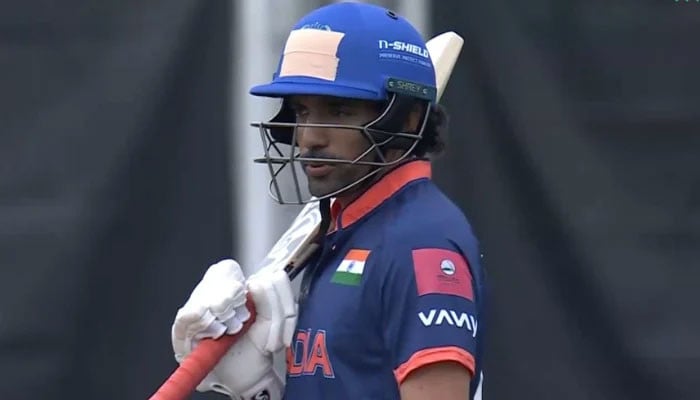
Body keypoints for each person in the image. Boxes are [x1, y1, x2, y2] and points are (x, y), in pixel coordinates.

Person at [170, 2, 486, 399]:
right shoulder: (344, 230)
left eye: (338, 111)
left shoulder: (420, 242)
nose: (309, 138)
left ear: (406, 119)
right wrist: (256, 390)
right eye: (303, 111)